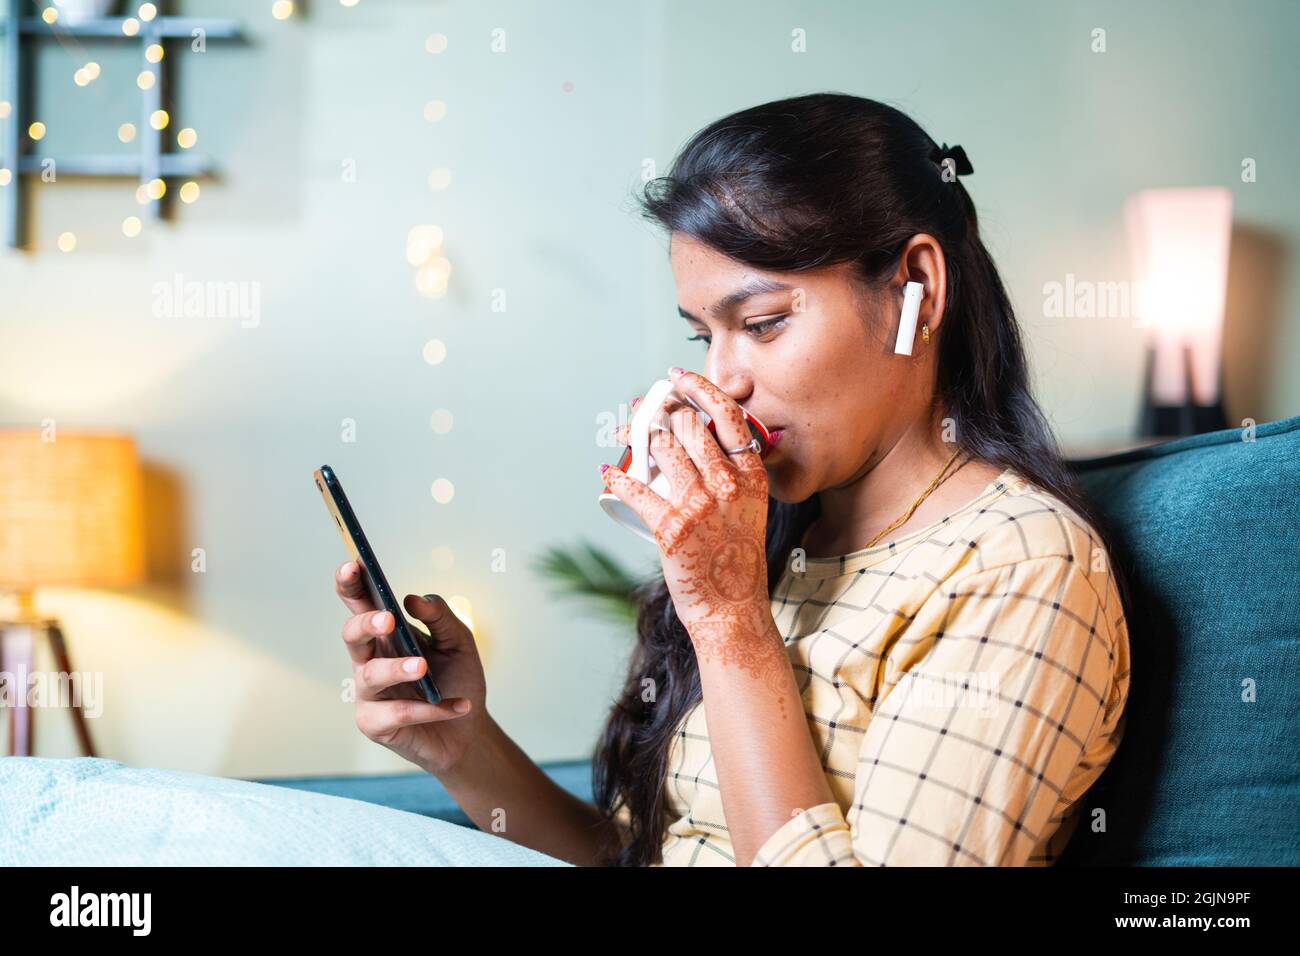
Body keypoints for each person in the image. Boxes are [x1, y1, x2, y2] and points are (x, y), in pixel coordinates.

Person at [332, 91, 1132, 867]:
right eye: (702, 336)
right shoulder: (784, 539)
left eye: (762, 324)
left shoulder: (1021, 565)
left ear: (914, 289)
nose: (723, 380)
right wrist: (463, 744)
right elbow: (634, 853)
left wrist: (728, 620)